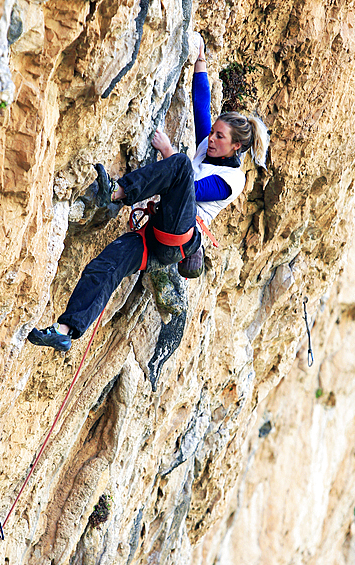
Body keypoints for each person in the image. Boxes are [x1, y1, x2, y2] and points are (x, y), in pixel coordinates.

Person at [28, 37, 269, 352]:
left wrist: (169, 151)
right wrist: (200, 61)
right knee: (104, 266)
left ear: (236, 146)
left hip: (180, 236)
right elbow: (200, 103)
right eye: (212, 133)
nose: (210, 138)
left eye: (219, 136)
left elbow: (190, 190)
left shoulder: (232, 179)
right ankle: (64, 331)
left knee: (180, 165)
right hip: (154, 238)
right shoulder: (206, 145)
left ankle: (116, 192)